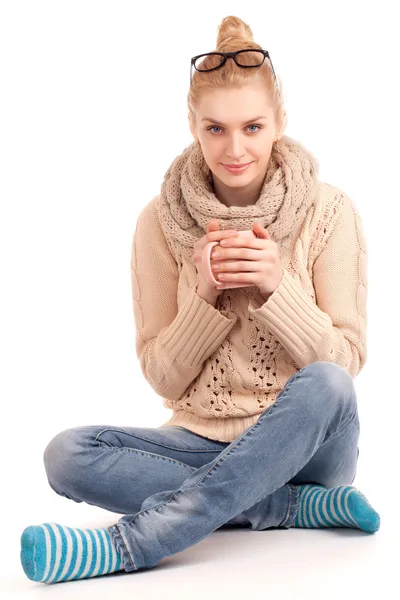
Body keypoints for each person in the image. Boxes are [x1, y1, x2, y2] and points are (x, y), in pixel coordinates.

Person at [20, 15, 380, 585]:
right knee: (66, 455)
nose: (235, 148)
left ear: (280, 123)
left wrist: (276, 288)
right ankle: (284, 508)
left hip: (311, 450)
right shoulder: (157, 225)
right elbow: (163, 379)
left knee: (328, 383)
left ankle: (128, 545)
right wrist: (205, 300)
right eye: (215, 129)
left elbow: (346, 364)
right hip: (200, 442)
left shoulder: (329, 211)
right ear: (192, 125)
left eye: (253, 127)